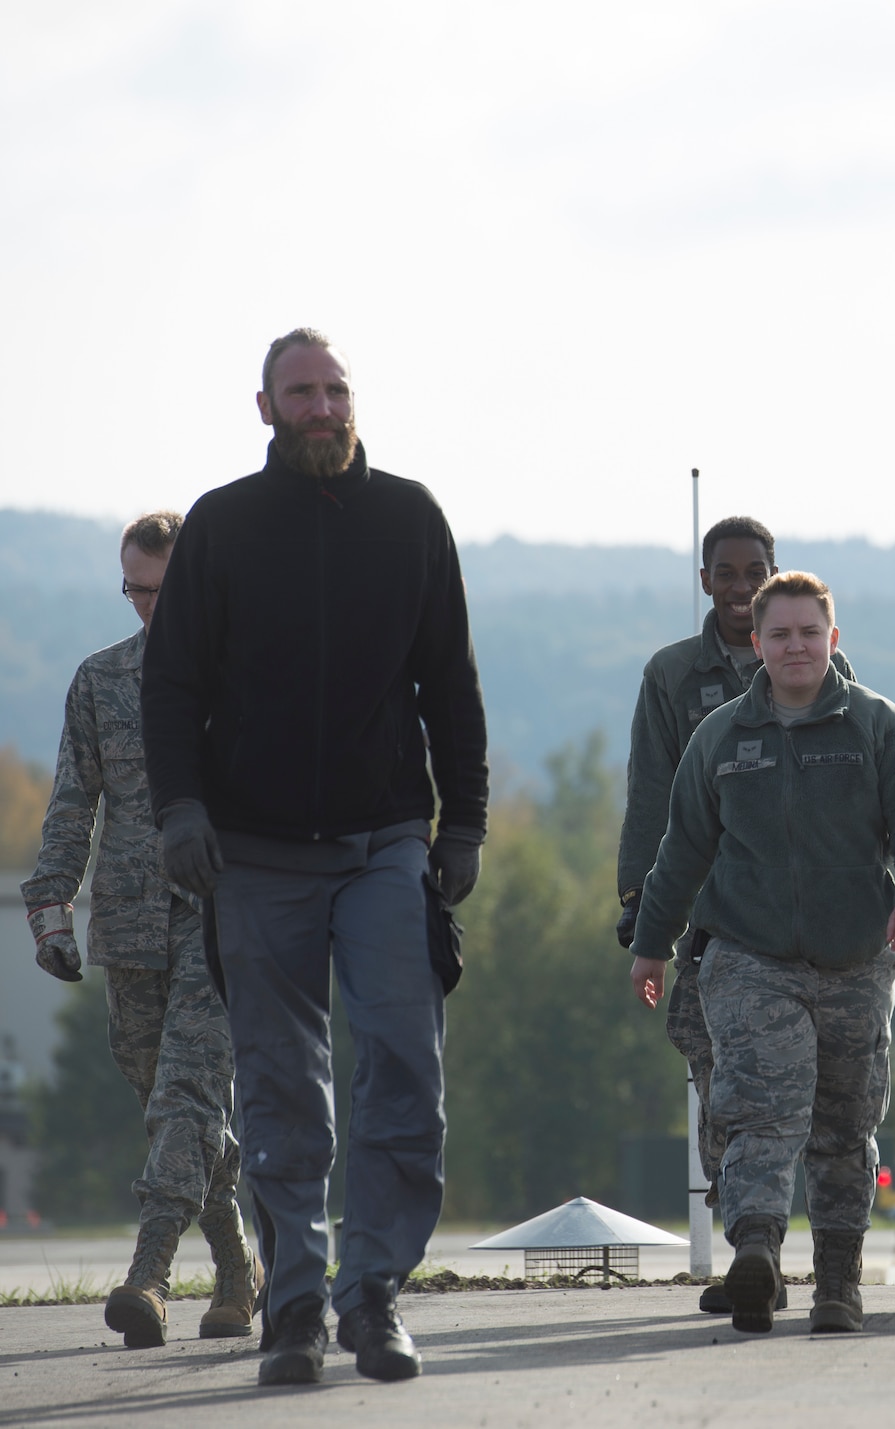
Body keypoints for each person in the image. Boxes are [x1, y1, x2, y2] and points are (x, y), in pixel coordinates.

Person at [142, 328, 488, 1385]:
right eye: (303, 393)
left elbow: (451, 684)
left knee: (405, 1069)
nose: (324, 407)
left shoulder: (410, 516)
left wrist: (462, 821)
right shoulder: (223, 526)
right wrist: (179, 811)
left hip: (384, 842)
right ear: (265, 409)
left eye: (337, 390)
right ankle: (294, 1303)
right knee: (282, 1087)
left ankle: (372, 1293)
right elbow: (173, 687)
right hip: (249, 853)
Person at [629, 571, 895, 1336]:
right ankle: (757, 1252)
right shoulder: (720, 740)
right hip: (750, 953)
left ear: (832, 640)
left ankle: (838, 1280)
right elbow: (680, 851)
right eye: (780, 634)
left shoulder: (879, 729)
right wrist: (652, 945)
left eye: (810, 632)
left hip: (854, 960)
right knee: (760, 1108)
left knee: (845, 1124)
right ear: (757, 645)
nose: (795, 645)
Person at [21, 511, 259, 1349]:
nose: (147, 607)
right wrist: (50, 904)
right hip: (128, 925)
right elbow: (73, 801)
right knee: (174, 1110)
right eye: (133, 590)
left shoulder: (247, 671)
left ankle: (148, 1274)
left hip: (223, 918)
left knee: (186, 1096)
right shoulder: (100, 681)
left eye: (161, 590)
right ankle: (237, 1269)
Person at [614, 517, 855, 1316]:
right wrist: (639, 904)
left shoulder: (816, 660)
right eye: (727, 571)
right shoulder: (675, 676)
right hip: (711, 917)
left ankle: (818, 1260)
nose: (741, 583)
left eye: (757, 569)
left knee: (822, 1103)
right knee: (726, 1093)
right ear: (706, 580)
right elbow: (654, 792)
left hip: (813, 923)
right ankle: (753, 1251)